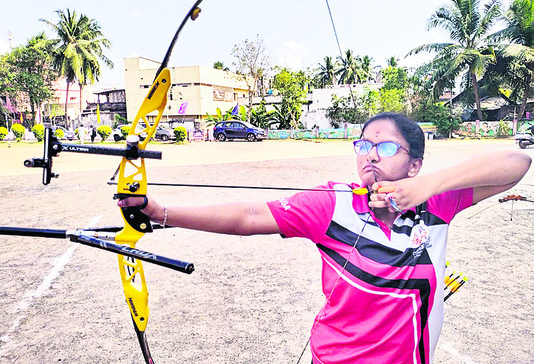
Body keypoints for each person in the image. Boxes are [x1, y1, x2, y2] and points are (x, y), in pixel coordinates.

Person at [118, 112, 531, 364]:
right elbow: (248, 214)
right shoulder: (331, 204)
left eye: (387, 147)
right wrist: (158, 211)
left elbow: (517, 162)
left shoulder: (438, 204)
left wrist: (428, 186)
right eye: (364, 144)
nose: (370, 154)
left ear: (413, 164)